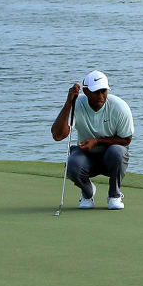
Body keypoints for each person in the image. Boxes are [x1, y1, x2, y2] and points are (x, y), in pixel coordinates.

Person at [51, 70, 134, 210]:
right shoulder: (77, 104)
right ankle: (88, 193)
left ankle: (114, 195)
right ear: (86, 91)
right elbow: (58, 135)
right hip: (86, 156)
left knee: (118, 152)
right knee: (72, 164)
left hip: (111, 157)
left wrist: (97, 141)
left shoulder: (119, 107)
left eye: (104, 91)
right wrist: (68, 103)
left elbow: (127, 139)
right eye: (96, 92)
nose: (101, 96)